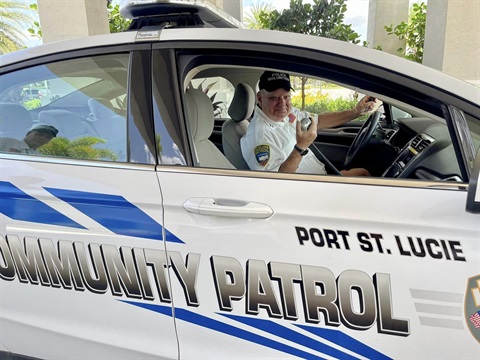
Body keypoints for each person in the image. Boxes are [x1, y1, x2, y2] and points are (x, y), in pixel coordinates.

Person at [241, 71, 374, 176]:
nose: (282, 104)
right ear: (259, 98)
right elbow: (277, 182)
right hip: (306, 193)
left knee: (363, 173)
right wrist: (300, 147)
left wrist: (356, 111)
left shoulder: (288, 114)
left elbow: (319, 120)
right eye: (273, 98)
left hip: (319, 179)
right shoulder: (260, 136)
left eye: (286, 96)